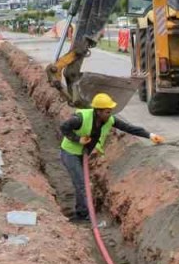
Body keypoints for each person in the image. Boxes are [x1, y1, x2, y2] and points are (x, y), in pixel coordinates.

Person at [59, 92, 163, 222]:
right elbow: (63, 127)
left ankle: (82, 211)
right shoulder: (80, 118)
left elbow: (129, 128)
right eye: (107, 112)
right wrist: (78, 139)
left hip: (82, 154)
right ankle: (83, 215)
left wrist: (150, 135)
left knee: (82, 183)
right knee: (82, 184)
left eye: (110, 111)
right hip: (70, 153)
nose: (110, 114)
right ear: (98, 111)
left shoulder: (109, 120)